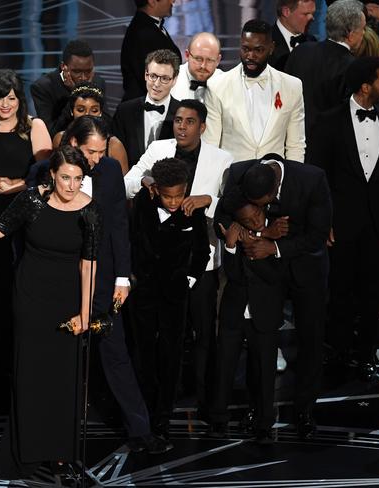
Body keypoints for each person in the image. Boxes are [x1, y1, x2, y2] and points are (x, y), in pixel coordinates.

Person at [0, 146, 101, 479]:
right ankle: (26, 451)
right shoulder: (31, 201)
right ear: (52, 175)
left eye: (78, 179)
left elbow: (89, 266)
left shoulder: (90, 211)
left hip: (68, 303)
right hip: (30, 299)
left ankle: (61, 452)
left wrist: (85, 313)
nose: (72, 186)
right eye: (65, 178)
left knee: (64, 380)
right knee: (30, 377)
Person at [26, 116, 170, 453]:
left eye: (102, 151)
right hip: (59, 281)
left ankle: (139, 429)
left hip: (104, 282)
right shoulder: (44, 172)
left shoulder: (107, 173)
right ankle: (47, 433)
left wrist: (123, 277)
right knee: (57, 359)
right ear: (73, 144)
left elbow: (119, 226)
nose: (97, 159)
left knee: (115, 353)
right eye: (92, 151)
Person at [123, 100, 233, 418]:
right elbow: (130, 182)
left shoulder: (221, 158)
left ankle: (204, 400)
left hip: (201, 262)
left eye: (189, 121)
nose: (181, 126)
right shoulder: (158, 149)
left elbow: (230, 203)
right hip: (155, 272)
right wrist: (146, 183)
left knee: (202, 335)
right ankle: (157, 401)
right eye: (178, 121)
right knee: (158, 339)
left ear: (202, 126)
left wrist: (207, 200)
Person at [306, 56, 379, 378]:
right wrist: (323, 222)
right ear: (366, 86)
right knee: (339, 291)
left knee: (374, 292)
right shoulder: (328, 121)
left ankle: (366, 353)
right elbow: (317, 175)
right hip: (341, 225)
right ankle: (336, 352)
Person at [215, 157, 332, 439]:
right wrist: (258, 234)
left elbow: (317, 236)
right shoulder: (241, 172)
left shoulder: (313, 178)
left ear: (275, 189)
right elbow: (224, 215)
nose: (261, 209)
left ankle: (304, 409)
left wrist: (274, 247)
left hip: (304, 269)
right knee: (260, 339)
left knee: (310, 338)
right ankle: (257, 408)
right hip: (260, 273)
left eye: (263, 203)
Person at [0, 68, 51, 385]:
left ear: (20, 99)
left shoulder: (34, 127)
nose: (5, 105)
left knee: (15, 288)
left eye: (11, 98)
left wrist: (14, 186)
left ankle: (13, 367)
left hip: (21, 211)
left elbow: (44, 176)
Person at [129, 157, 210, 440]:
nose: (173, 202)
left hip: (176, 296)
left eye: (178, 195)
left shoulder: (193, 212)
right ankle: (142, 411)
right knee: (143, 352)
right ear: (157, 190)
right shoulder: (143, 203)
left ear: (186, 189)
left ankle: (163, 417)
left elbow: (203, 252)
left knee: (171, 354)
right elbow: (131, 240)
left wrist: (187, 281)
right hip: (143, 293)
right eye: (167, 196)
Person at [210, 190, 284, 444]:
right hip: (234, 311)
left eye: (256, 216)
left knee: (264, 369)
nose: (253, 222)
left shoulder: (277, 235)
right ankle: (218, 419)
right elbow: (234, 276)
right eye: (248, 220)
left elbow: (276, 276)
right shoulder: (237, 238)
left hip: (265, 313)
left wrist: (261, 243)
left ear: (264, 210)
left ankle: (264, 423)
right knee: (224, 366)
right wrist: (231, 247)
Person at [204, 19, 306, 163]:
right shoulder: (217, 86)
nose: (250, 56)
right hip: (232, 180)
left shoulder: (292, 87)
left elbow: (296, 146)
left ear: (271, 48)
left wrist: (292, 183)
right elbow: (210, 146)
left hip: (274, 181)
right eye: (246, 49)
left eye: (258, 50)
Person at [285, 0, 366, 134]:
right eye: (362, 29)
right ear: (350, 35)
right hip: (329, 147)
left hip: (292, 140)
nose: (363, 33)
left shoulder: (301, 51)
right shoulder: (353, 66)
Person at [113, 49, 181, 168]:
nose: (156, 84)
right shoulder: (124, 111)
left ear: (174, 80)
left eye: (164, 78)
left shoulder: (182, 113)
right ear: (145, 75)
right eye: (153, 76)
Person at [30, 39, 107, 136]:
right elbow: (51, 133)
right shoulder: (43, 87)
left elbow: (107, 124)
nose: (83, 78)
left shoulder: (98, 83)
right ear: (63, 67)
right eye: (77, 71)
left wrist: (89, 88)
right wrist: (75, 94)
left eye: (88, 71)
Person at [51, 82, 129, 174]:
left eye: (94, 110)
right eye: (81, 110)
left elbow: (124, 184)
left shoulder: (114, 145)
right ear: (72, 111)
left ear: (100, 112)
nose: (87, 115)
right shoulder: (59, 139)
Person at [120, 0, 182, 101]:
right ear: (152, 1)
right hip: (144, 111)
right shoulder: (142, 33)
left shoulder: (147, 27)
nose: (173, 1)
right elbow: (151, 81)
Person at [170, 32, 223, 103]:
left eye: (209, 60)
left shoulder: (226, 84)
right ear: (187, 55)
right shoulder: (169, 79)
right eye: (198, 59)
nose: (203, 66)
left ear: (218, 60)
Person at [270, 0, 317, 71]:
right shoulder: (264, 41)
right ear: (286, 12)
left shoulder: (312, 41)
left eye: (313, 14)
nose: (312, 18)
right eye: (306, 14)